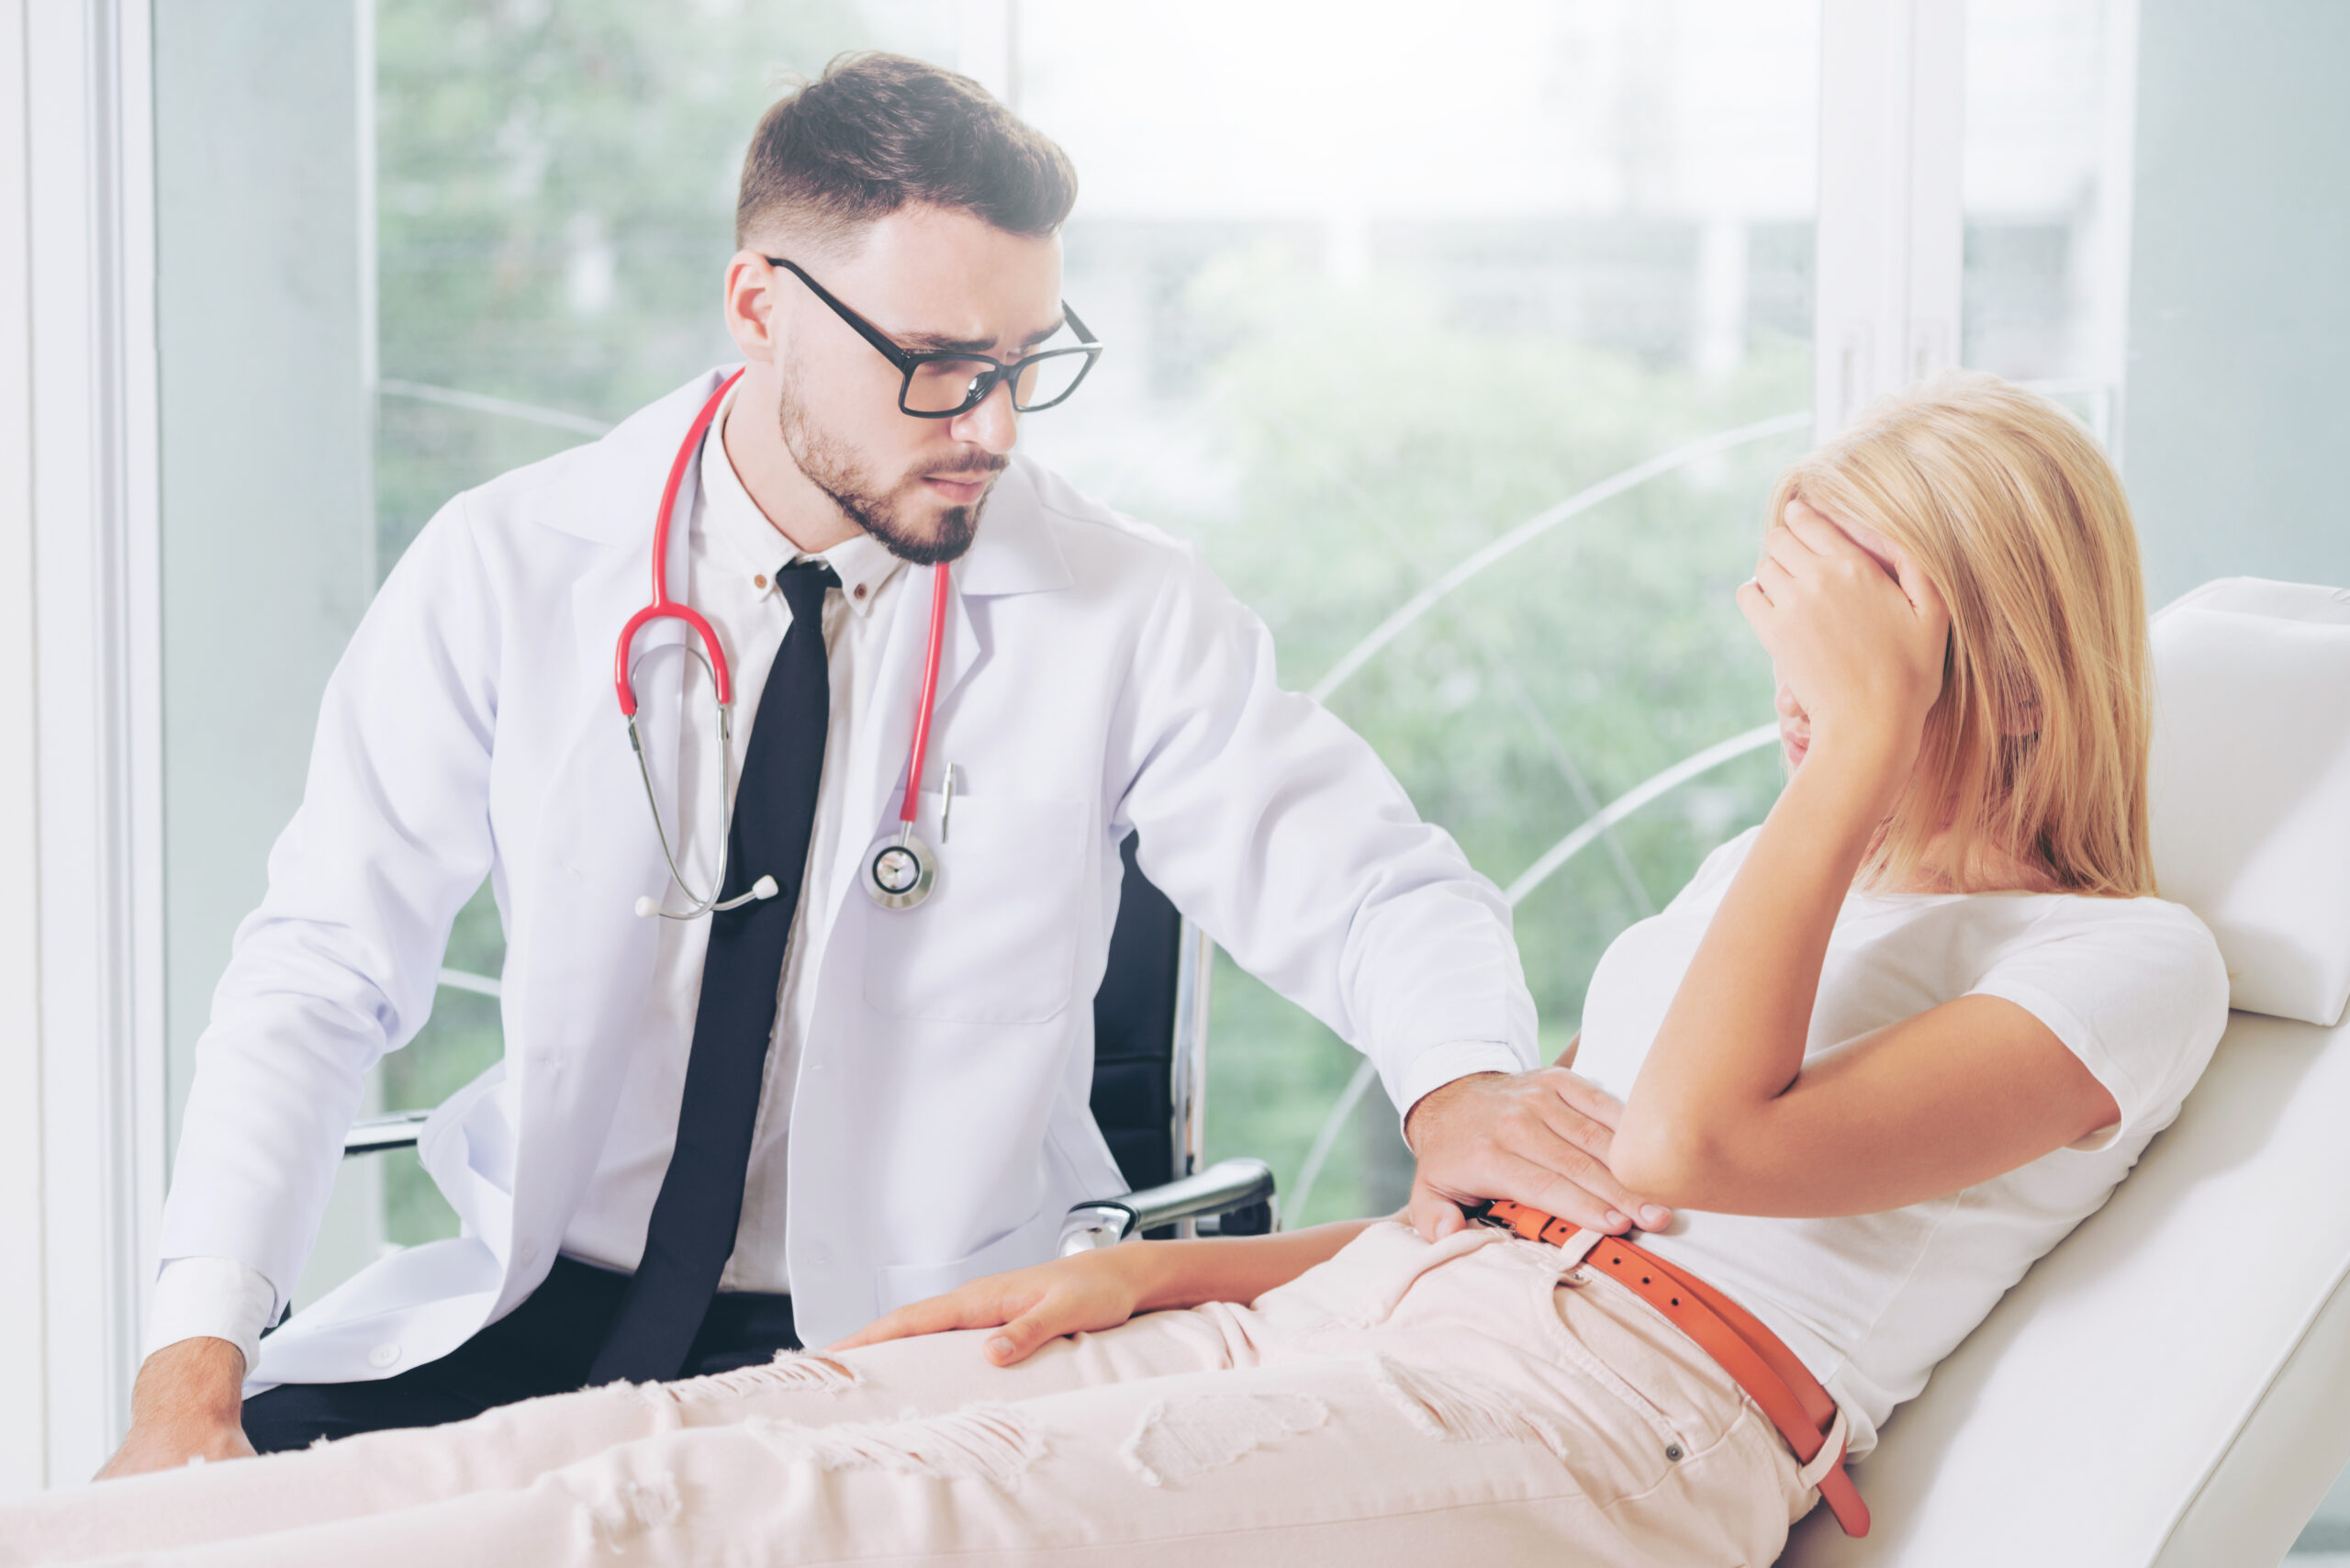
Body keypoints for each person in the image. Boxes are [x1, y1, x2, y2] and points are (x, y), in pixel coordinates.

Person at [18, 374, 2229, 1565]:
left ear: (1967, 641)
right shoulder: (525, 562)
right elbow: (1532, 1200)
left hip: (1609, 1431)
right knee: (666, 1437)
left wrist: (1840, 774)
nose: (1775, 676)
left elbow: (1690, 1151)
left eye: (1817, 628)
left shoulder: (2125, 969)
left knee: (735, 1525)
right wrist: (1165, 1280)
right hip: (1415, 1315)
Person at [100, 52, 1663, 1477]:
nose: (989, 424)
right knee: (214, 1523)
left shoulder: (1118, 608)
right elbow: (317, 972)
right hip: (546, 1314)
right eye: (933, 361)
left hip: (917, 1339)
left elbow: (1377, 886)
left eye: (1025, 361)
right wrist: (189, 1368)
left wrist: (1459, 1078)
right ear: (760, 303)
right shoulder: (510, 567)